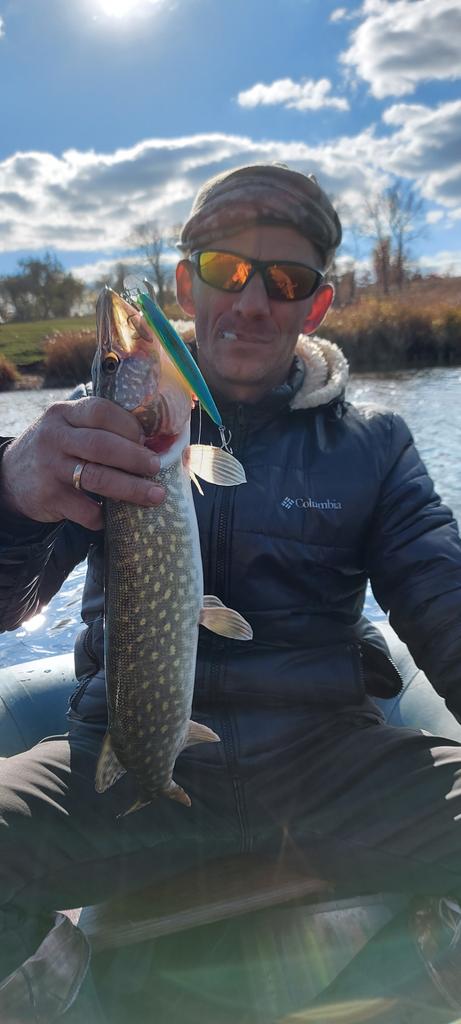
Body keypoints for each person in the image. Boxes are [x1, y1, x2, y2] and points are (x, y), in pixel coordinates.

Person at [1, 162, 461, 1021]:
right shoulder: (93, 431)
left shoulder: (374, 446)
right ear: (188, 285)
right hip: (119, 768)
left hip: (329, 771)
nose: (251, 302)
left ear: (315, 306)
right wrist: (10, 494)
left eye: (284, 281)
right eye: (225, 270)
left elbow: (444, 598)